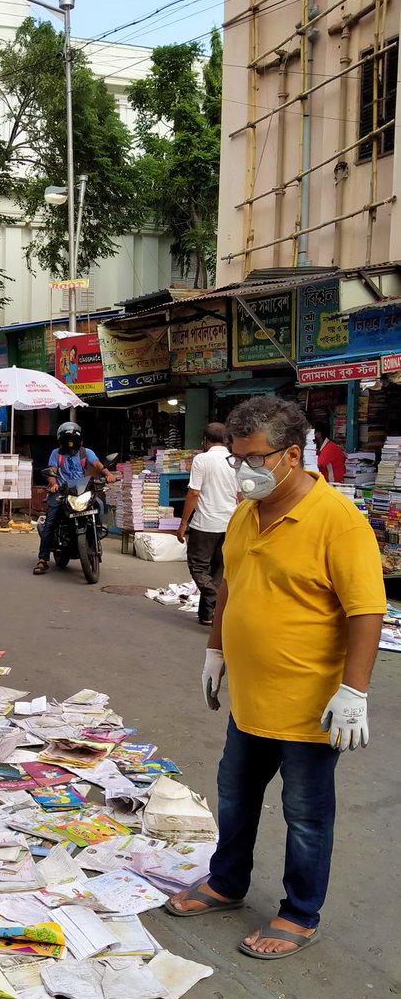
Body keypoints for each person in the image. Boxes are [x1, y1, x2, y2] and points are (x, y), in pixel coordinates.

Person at [165, 396, 385, 959]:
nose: (244, 470)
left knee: (306, 816)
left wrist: (354, 690)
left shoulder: (337, 521)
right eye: (237, 458)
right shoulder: (244, 512)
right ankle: (226, 882)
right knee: (235, 797)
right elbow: (230, 587)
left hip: (312, 704)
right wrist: (215, 652)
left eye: (254, 459)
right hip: (251, 700)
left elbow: (366, 610)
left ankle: (299, 913)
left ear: (291, 456)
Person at [176, 422, 238, 627]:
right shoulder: (235, 461)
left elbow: (194, 492)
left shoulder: (202, 460)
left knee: (198, 567)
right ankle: (207, 614)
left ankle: (216, 598)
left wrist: (183, 523)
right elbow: (241, 495)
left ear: (205, 441)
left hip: (205, 523)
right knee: (218, 570)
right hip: (229, 522)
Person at [33, 421, 114, 575]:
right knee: (50, 520)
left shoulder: (86, 453)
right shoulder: (56, 453)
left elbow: (97, 465)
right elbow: (52, 471)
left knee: (99, 505)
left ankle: (96, 535)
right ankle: (43, 559)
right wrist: (53, 484)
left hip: (81, 490)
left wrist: (108, 475)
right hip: (61, 491)